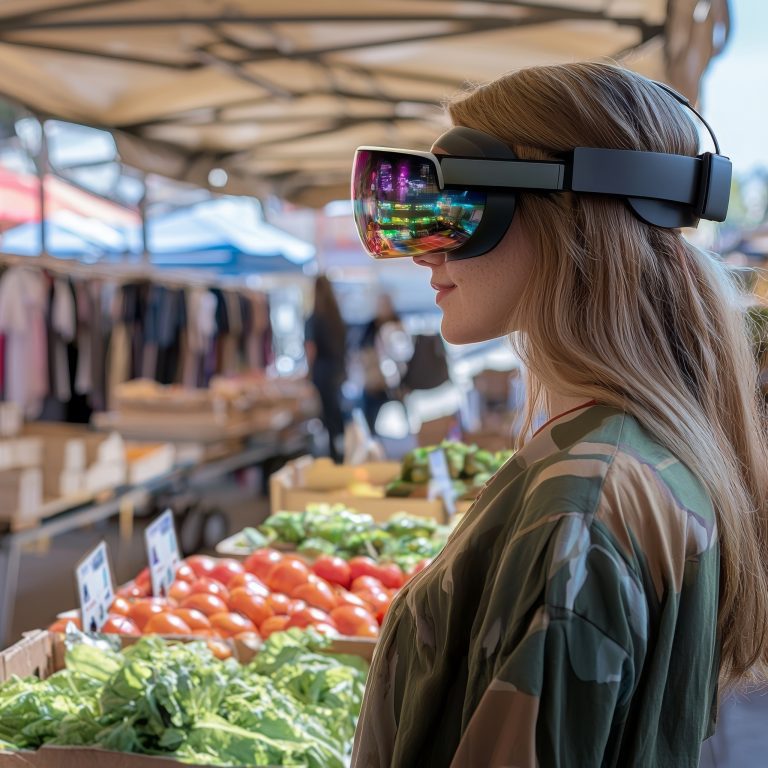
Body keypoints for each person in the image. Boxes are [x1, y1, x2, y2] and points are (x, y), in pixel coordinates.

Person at [350, 63, 768, 767]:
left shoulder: (585, 501)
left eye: (461, 203)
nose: (427, 247)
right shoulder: (631, 453)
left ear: (566, 208)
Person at [305, 275, 347, 463]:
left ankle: (333, 454)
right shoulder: (336, 317)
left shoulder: (314, 318)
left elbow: (311, 349)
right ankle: (340, 448)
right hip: (338, 368)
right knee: (336, 412)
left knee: (326, 414)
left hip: (322, 370)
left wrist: (308, 372)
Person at [358, 292, 411, 434]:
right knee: (370, 425)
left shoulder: (398, 325)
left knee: (403, 424)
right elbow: (361, 352)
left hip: (395, 384)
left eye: (385, 304)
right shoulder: (370, 327)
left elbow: (406, 355)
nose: (383, 308)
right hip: (374, 384)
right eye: (380, 304)